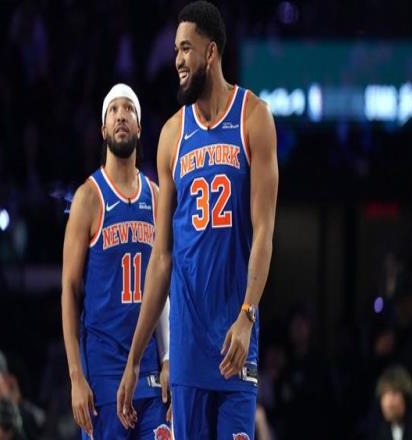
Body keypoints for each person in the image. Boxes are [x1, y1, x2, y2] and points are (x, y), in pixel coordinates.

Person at [117, 2, 278, 439]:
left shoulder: (254, 118)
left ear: (211, 52)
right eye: (175, 50)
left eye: (186, 48)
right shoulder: (172, 135)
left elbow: (265, 231)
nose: (177, 60)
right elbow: (161, 258)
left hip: (234, 339)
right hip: (187, 347)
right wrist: (136, 359)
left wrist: (247, 315)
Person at [61, 83, 171, 439]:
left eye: (128, 109)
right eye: (113, 110)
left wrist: (167, 358)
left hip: (148, 373)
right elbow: (69, 290)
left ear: (139, 128)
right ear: (103, 129)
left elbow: (162, 289)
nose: (121, 115)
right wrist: (76, 376)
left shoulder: (156, 197)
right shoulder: (88, 197)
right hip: (103, 374)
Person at [369, 365, 412, 440]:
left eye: (394, 394)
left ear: (406, 398)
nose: (387, 404)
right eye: (384, 395)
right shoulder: (379, 431)